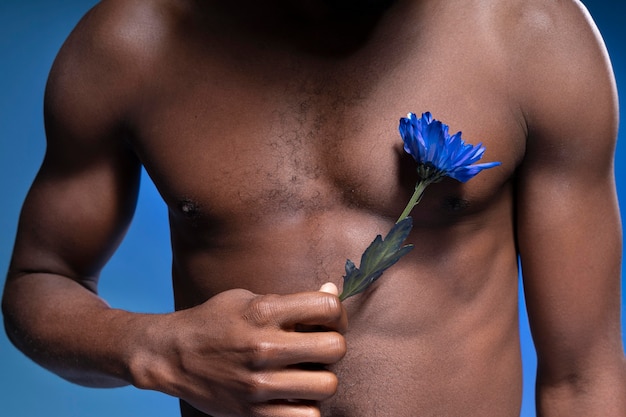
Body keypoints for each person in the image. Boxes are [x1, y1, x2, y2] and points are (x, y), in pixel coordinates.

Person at [3, 0, 625, 416]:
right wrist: (155, 346)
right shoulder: (130, 44)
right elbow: (37, 283)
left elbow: (583, 376)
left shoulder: (532, 33)